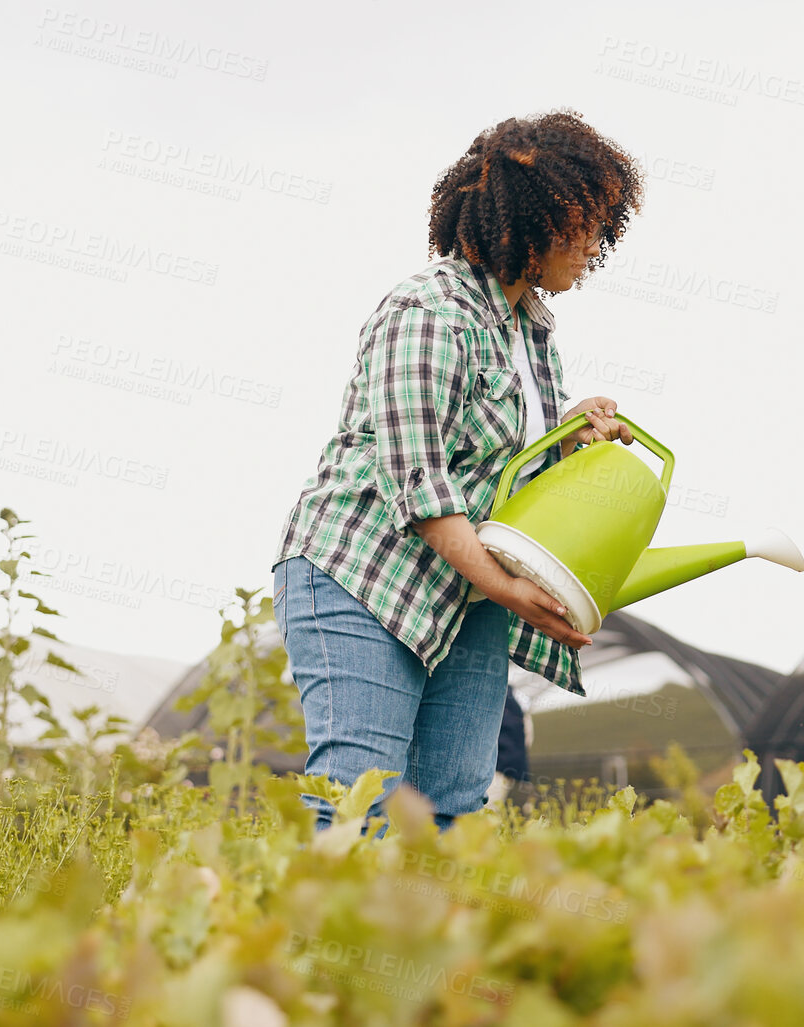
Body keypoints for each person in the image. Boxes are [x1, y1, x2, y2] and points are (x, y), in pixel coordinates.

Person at [270, 110, 643, 830]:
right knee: (361, 798)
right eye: (588, 224)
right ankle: (320, 941)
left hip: (464, 588)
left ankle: (420, 945)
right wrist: (507, 586)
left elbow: (498, 468)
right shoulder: (428, 310)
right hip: (364, 573)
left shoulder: (527, 331)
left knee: (452, 808)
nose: (597, 247)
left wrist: (566, 437)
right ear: (537, 217)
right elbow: (418, 476)